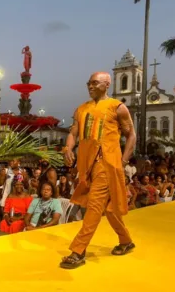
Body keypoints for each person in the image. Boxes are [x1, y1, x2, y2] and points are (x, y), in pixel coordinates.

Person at [60, 72, 136, 269]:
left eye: (95, 83)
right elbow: (73, 133)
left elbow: (131, 135)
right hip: (86, 164)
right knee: (108, 208)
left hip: (107, 163)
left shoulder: (117, 107)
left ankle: (78, 250)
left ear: (107, 84)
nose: (90, 86)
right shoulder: (81, 109)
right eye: (89, 83)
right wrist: (68, 148)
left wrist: (123, 160)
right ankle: (126, 241)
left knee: (94, 205)